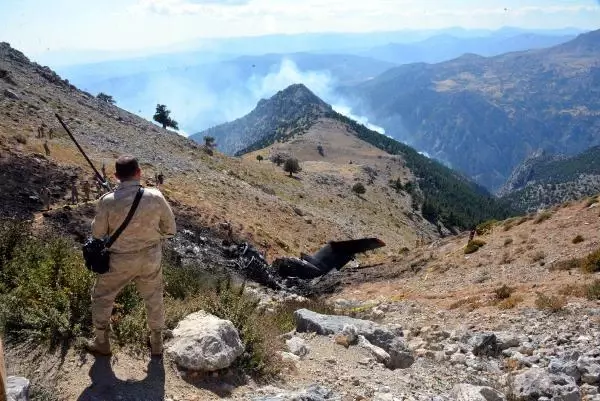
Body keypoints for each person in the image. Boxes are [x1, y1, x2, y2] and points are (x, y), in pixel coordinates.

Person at [87, 155, 176, 356]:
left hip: (119, 260)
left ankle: (102, 342)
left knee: (102, 297)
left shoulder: (107, 201)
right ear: (139, 173)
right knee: (154, 297)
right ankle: (156, 343)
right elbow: (170, 230)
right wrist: (151, 238)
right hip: (150, 257)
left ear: (116, 176)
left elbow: (97, 234)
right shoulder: (156, 196)